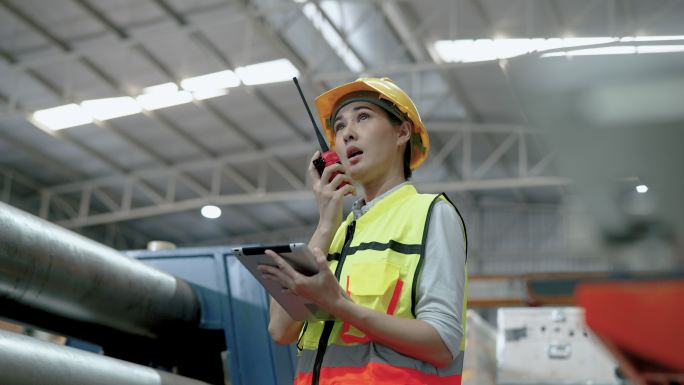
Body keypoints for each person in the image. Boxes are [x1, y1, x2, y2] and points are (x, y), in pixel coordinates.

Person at [259, 77, 468, 385]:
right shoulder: (339, 232)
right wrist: (326, 223)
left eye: (363, 117)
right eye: (339, 126)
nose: (347, 133)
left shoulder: (431, 214)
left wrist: (338, 305)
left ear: (402, 132)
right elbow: (279, 329)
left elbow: (443, 343)